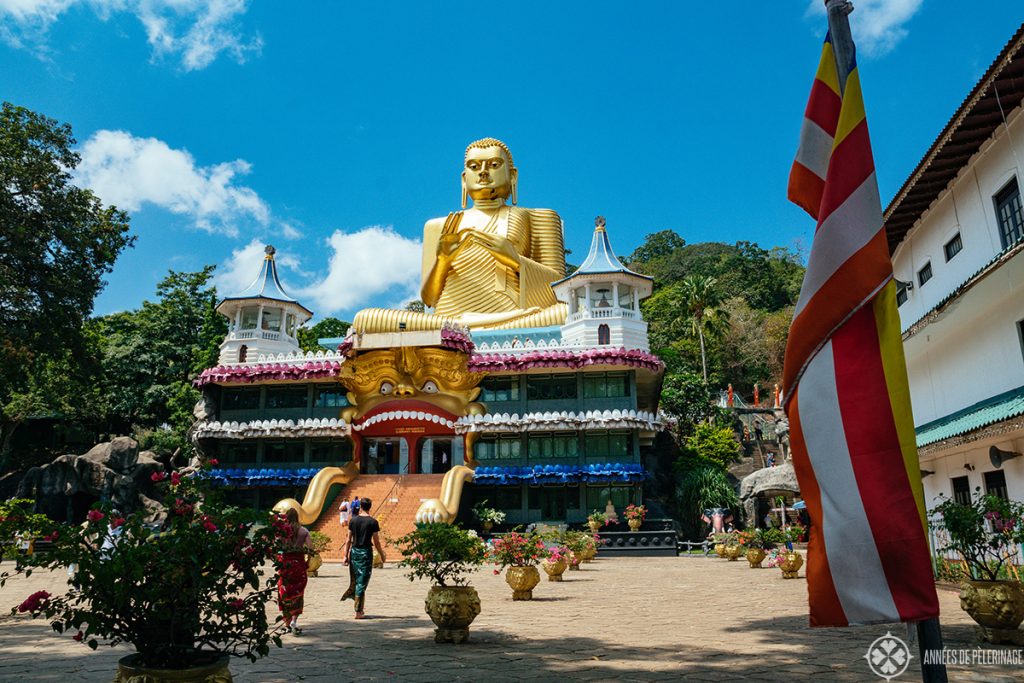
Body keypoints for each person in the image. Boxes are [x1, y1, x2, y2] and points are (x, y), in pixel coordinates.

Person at [352, 138, 568, 332]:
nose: (483, 172)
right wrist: (443, 261)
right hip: (448, 320)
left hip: (513, 319)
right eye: (474, 167)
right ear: (464, 179)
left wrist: (515, 260)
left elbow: (562, 293)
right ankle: (461, 329)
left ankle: (463, 331)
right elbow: (429, 299)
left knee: (567, 313)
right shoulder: (440, 225)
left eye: (493, 165)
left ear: (512, 175)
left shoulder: (537, 217)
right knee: (366, 319)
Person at [341, 497, 386, 619]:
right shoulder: (373, 522)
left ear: (360, 506)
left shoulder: (353, 520)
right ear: (370, 507)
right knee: (362, 581)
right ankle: (358, 611)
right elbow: (376, 542)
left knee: (357, 580)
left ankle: (360, 609)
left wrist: (345, 555)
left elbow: (348, 539)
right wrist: (382, 554)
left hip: (354, 553)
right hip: (366, 553)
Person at [276, 508, 312, 634]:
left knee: (284, 593)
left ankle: (287, 623)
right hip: (299, 565)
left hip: (285, 565)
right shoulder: (304, 531)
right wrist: (307, 562)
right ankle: (294, 621)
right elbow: (311, 549)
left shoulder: (281, 532)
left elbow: (274, 546)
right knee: (298, 593)